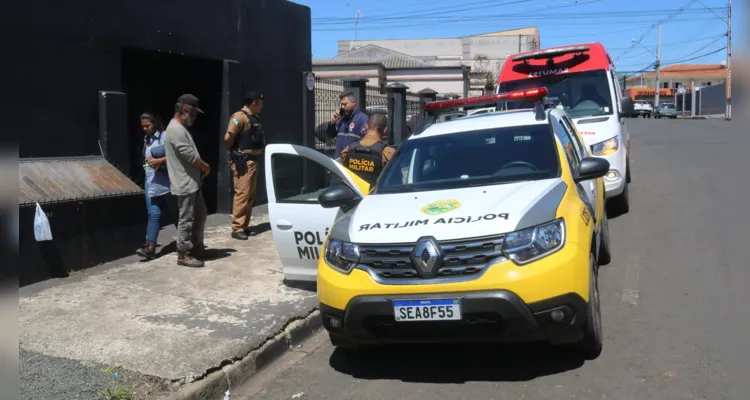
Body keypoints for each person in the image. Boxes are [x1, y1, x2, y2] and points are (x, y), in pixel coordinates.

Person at [164, 94, 211, 268]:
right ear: (185, 110)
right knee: (187, 218)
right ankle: (183, 254)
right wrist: (205, 166)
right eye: (193, 113)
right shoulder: (175, 129)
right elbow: (190, 156)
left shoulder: (180, 128)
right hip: (185, 182)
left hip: (191, 181)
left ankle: (197, 247)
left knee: (200, 214)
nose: (195, 117)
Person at [136, 112, 178, 259]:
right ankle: (150, 247)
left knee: (176, 214)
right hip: (151, 181)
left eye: (148, 125)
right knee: (153, 214)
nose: (145, 129)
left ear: (155, 123)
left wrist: (160, 161)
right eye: (143, 127)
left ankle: (189, 243)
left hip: (166, 182)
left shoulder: (165, 136)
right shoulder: (146, 140)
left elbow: (177, 154)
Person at [224, 91, 266, 240]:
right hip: (243, 161)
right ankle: (237, 227)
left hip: (253, 160)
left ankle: (244, 225)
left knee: (250, 195)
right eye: (260, 102)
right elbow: (228, 138)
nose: (262, 105)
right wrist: (235, 154)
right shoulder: (239, 117)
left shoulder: (254, 117)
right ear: (254, 102)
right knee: (242, 194)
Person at [339, 114, 395, 186]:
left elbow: (341, 179)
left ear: (366, 126)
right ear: (384, 130)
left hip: (355, 195)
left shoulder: (347, 150)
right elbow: (395, 181)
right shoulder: (388, 152)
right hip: (376, 195)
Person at [326, 92, 369, 160]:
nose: (342, 107)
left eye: (345, 104)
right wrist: (333, 122)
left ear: (353, 102)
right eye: (341, 104)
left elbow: (367, 141)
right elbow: (330, 135)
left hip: (353, 162)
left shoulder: (362, 118)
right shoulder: (341, 119)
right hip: (339, 162)